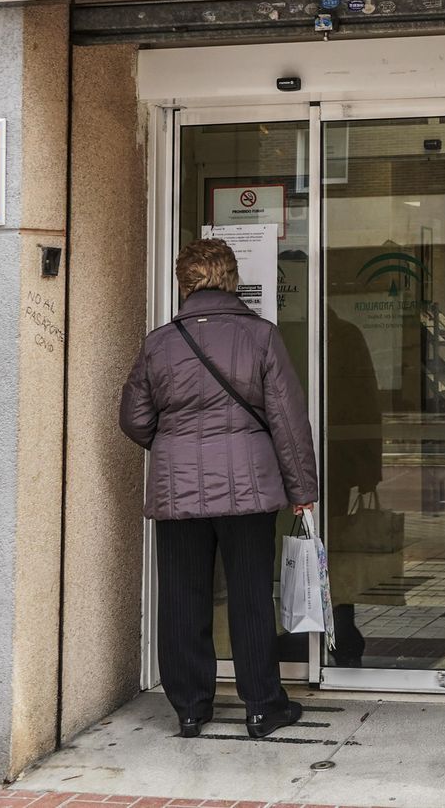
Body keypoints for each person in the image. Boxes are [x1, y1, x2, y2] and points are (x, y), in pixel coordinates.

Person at [119, 237, 319, 740]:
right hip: (248, 490)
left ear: (184, 283)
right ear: (232, 280)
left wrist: (175, 445)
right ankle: (262, 708)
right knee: (251, 595)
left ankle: (189, 709)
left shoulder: (159, 342)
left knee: (183, 598)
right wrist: (302, 489)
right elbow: (288, 424)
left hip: (177, 490)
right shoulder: (262, 338)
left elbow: (134, 419)